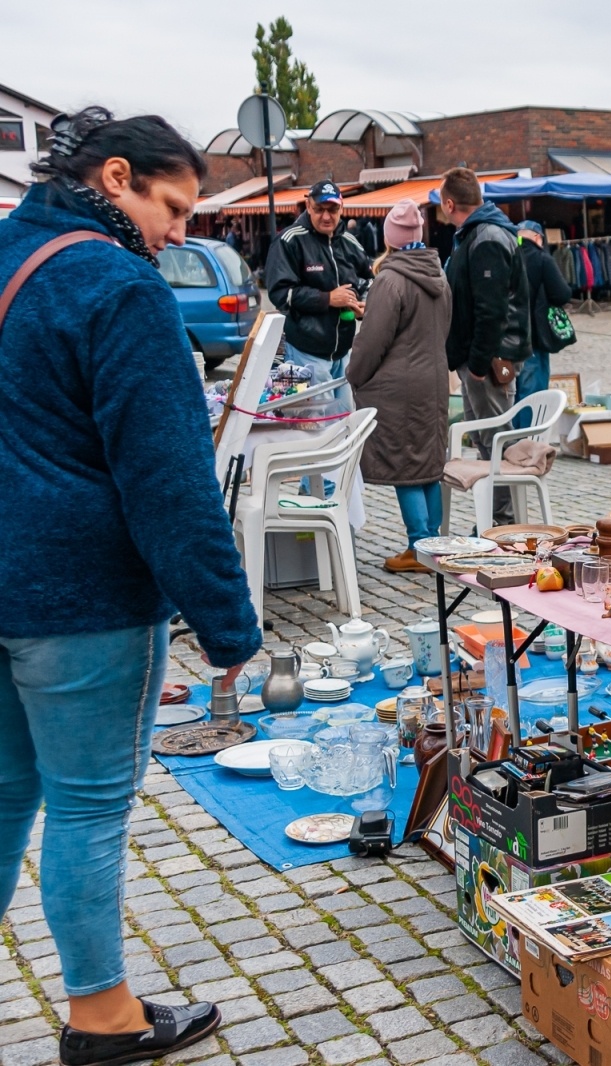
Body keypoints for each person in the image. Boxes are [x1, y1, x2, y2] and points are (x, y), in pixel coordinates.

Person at [0, 107, 260, 1066]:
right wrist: (230, 626)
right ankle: (103, 1017)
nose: (181, 233)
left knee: (0, 798)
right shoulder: (120, 286)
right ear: (116, 178)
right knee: (86, 805)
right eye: (175, 208)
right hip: (81, 599)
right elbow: (168, 480)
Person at [347, 200, 452, 574]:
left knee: (406, 463)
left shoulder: (390, 280)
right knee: (428, 462)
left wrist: (354, 375)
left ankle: (419, 546)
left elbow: (372, 342)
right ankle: (434, 542)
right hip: (434, 381)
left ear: (390, 239)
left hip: (400, 387)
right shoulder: (439, 275)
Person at [438, 167, 531, 525]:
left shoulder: (487, 237)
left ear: (450, 203)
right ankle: (494, 518)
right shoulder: (480, 233)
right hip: (483, 357)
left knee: (496, 442)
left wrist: (476, 364)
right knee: (484, 439)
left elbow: (491, 309)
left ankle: (502, 523)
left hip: (491, 361)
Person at [263, 180, 372, 398]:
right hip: (305, 352)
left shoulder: (351, 242)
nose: (326, 216)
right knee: (313, 427)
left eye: (332, 210)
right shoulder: (289, 240)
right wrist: (327, 298)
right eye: (319, 209)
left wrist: (366, 303)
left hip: (344, 353)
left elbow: (368, 281)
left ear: (341, 208)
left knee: (343, 423)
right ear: (308, 206)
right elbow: (280, 293)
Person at [514, 219, 573, 427]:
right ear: (538, 238)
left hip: (507, 337)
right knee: (533, 391)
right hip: (535, 337)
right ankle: (528, 441)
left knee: (514, 391)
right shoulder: (541, 259)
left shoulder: (506, 256)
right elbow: (562, 294)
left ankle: (510, 442)